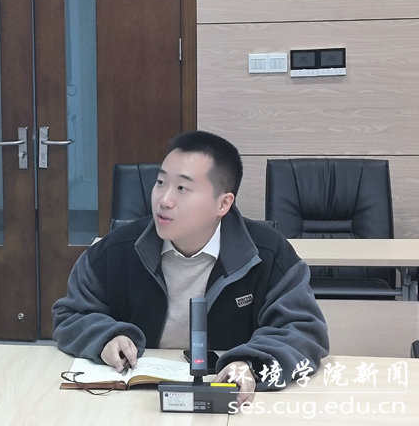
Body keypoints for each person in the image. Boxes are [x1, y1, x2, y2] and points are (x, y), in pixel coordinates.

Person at [52, 130, 329, 403]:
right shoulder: (117, 249)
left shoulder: (267, 253)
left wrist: (250, 364)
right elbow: (71, 314)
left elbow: (303, 329)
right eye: (160, 182)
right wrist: (104, 338)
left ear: (223, 203)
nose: (164, 200)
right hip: (134, 400)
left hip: (228, 398)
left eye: (182, 188)